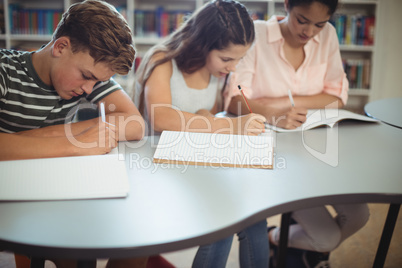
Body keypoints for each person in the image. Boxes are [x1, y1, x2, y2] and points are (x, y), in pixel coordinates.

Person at [0, 0, 147, 267]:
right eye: (86, 76)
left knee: (138, 236)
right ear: (61, 47)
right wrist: (74, 143)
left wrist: (43, 136)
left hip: (64, 197)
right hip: (14, 204)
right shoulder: (4, 71)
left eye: (98, 82)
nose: (90, 90)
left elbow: (135, 123)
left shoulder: (89, 77)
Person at [224, 0, 370, 267]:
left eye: (319, 24)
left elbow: (337, 97)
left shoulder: (328, 36)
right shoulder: (256, 34)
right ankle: (278, 239)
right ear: (286, 5)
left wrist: (285, 103)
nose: (310, 32)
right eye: (302, 20)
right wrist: (274, 113)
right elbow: (234, 100)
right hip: (276, 155)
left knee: (360, 215)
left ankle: (287, 245)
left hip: (318, 149)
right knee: (325, 238)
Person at [134, 0, 269, 267]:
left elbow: (207, 114)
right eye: (227, 58)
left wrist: (209, 118)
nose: (232, 67)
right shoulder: (163, 61)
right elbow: (161, 118)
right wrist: (229, 126)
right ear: (203, 44)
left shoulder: (215, 72)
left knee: (255, 217)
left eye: (239, 59)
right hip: (153, 169)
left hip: (189, 164)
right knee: (224, 217)